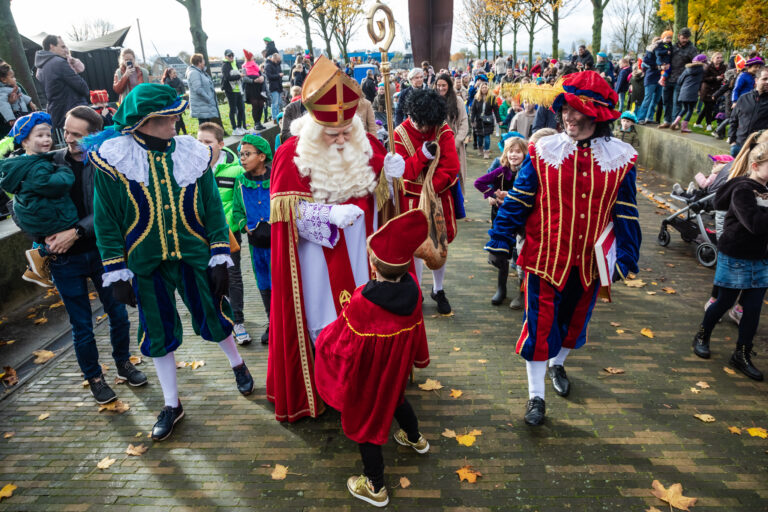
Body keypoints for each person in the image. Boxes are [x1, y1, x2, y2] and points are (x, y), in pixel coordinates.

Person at [88, 83, 254, 441]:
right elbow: (106, 219)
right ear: (145, 121)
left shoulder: (193, 152)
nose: (176, 122)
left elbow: (211, 207)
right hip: (144, 263)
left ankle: (238, 365)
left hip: (194, 256)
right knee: (157, 331)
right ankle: (171, 403)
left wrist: (220, 253)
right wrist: (115, 269)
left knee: (214, 313)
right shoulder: (114, 159)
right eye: (168, 117)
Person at [485, 71, 641, 426]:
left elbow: (626, 212)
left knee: (573, 325)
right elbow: (520, 199)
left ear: (596, 115)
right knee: (539, 327)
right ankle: (535, 396)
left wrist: (628, 255)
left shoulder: (620, 159)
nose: (568, 116)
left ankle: (558, 366)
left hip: (589, 264)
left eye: (576, 109)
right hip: (543, 259)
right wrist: (500, 237)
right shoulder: (543, 151)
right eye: (565, 108)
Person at [267, 56, 403, 422]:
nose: (342, 139)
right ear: (314, 128)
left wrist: (393, 177)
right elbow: (286, 219)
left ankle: (365, 384)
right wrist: (328, 215)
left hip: (363, 255)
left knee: (367, 323)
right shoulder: (289, 156)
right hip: (317, 262)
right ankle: (329, 390)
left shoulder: (367, 143)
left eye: (347, 130)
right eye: (333, 134)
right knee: (325, 326)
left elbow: (389, 207)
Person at [8, 107, 147, 403]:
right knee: (81, 324)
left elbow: (114, 211)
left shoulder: (107, 164)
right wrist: (42, 238)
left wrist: (77, 232)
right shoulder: (48, 160)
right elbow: (17, 206)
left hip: (102, 253)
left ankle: (123, 363)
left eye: (76, 135)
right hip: (63, 260)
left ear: (94, 135)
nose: (67, 139)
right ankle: (94, 377)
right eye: (66, 132)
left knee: (118, 314)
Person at [314, 209, 431, 508]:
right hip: (395, 374)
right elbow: (417, 332)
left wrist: (322, 343)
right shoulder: (415, 292)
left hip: (368, 378)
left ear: (373, 265)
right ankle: (415, 438)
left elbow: (342, 341)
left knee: (367, 422)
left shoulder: (362, 300)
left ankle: (375, 485)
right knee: (397, 400)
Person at [692, 134, 768, 381]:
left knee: (753, 308)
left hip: (761, 257)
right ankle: (703, 334)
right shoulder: (743, 189)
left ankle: (742, 354)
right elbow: (755, 224)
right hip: (736, 254)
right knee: (724, 301)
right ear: (756, 166)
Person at [394, 88, 461, 314]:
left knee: (439, 245)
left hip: (438, 197)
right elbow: (405, 172)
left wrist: (430, 189)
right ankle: (417, 291)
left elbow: (451, 167)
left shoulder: (442, 130)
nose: (425, 129)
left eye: (428, 125)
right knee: (415, 248)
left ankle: (438, 289)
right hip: (411, 202)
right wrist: (423, 155)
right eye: (421, 124)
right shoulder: (399, 134)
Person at [0, 112, 78, 287]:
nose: (47, 139)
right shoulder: (37, 166)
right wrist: (64, 171)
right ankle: (40, 253)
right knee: (60, 234)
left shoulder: (20, 162)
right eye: (40, 135)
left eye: (48, 135)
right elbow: (51, 185)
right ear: (25, 141)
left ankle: (35, 263)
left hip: (32, 212)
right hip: (44, 215)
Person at [196, 122, 251, 345]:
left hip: (227, 234)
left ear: (220, 144)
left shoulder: (236, 170)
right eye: (199, 142)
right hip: (200, 235)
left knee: (232, 276)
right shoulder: (190, 168)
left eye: (208, 142)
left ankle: (238, 320)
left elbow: (240, 203)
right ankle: (218, 317)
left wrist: (237, 225)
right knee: (207, 277)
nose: (202, 147)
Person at [474, 136, 528, 306]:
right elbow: (479, 182)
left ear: (524, 154)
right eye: (511, 151)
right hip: (501, 217)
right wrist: (492, 195)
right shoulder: (501, 171)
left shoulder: (527, 172)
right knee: (501, 253)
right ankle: (501, 288)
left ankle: (521, 292)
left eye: (518, 152)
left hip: (520, 218)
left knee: (520, 252)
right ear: (505, 153)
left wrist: (510, 198)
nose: (514, 155)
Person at [232, 134, 273, 345]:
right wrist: (244, 225)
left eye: (247, 154)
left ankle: (284, 322)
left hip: (277, 244)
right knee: (264, 282)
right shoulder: (240, 182)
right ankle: (271, 321)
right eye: (241, 155)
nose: (243, 159)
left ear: (262, 156)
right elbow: (237, 211)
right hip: (256, 245)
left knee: (280, 282)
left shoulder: (276, 178)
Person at [34, 35, 89, 129]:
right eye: (62, 47)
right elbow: (81, 86)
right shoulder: (59, 62)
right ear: (52, 46)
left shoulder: (40, 68)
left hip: (57, 112)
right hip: (74, 110)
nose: (66, 50)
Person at [435, 73, 469, 190]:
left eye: (443, 85)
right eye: (438, 85)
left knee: (456, 175)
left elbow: (464, 123)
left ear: (449, 85)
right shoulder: (432, 101)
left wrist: (456, 142)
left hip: (455, 145)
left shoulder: (458, 100)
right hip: (437, 145)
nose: (441, 88)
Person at [661, 28, 698, 128]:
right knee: (666, 100)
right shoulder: (672, 47)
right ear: (678, 36)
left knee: (676, 102)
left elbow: (695, 63)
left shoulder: (692, 49)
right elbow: (664, 57)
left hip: (681, 79)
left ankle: (674, 121)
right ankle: (667, 120)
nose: (685, 40)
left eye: (687, 38)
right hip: (668, 77)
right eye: (683, 38)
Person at [728, 67, 768, 157]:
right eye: (765, 79)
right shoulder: (743, 98)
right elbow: (733, 120)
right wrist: (732, 141)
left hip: (759, 147)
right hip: (739, 145)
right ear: (756, 80)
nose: (767, 82)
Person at [0, 63, 36, 138]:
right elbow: (3, 104)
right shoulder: (2, 91)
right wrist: (10, 104)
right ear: (3, 79)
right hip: (8, 130)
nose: (15, 79)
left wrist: (30, 102)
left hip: (23, 118)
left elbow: (22, 96)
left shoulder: (15, 86)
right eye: (12, 77)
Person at [673, 54, 707, 132]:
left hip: (683, 92)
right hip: (693, 93)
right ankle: (684, 127)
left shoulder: (687, 69)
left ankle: (675, 122)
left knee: (684, 109)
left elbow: (679, 81)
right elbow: (702, 81)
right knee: (690, 110)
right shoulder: (701, 70)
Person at [186, 53, 220, 125]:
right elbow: (198, 89)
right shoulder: (194, 73)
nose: (204, 62)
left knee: (206, 126)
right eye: (203, 60)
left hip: (204, 105)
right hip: (201, 105)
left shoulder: (201, 72)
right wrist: (209, 98)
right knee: (204, 126)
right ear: (199, 63)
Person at [470, 80, 501, 159]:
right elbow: (473, 110)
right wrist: (472, 120)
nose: (484, 89)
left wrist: (498, 120)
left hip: (488, 121)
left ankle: (486, 151)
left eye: (485, 87)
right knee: (479, 138)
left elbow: (496, 110)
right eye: (482, 87)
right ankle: (480, 148)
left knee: (487, 138)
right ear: (480, 89)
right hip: (479, 121)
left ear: (488, 88)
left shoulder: (492, 98)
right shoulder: (476, 98)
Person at [636, 37, 663, 125]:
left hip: (660, 78)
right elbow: (646, 62)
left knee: (656, 99)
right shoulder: (650, 51)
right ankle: (640, 118)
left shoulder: (662, 52)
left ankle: (649, 117)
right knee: (648, 98)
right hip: (651, 78)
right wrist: (657, 66)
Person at [699, 52, 727, 131]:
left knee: (708, 108)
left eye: (721, 58)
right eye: (717, 58)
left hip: (717, 90)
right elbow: (703, 78)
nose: (719, 59)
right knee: (708, 108)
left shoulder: (723, 67)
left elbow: (725, 75)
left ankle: (698, 122)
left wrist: (723, 79)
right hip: (707, 90)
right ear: (713, 58)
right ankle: (708, 124)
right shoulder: (708, 67)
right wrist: (715, 78)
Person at [222, 49, 246, 135]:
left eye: (232, 55)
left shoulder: (236, 63)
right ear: (225, 57)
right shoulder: (225, 65)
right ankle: (234, 129)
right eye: (229, 56)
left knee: (241, 109)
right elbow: (227, 77)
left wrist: (241, 74)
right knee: (233, 110)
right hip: (230, 90)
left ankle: (240, 127)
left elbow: (240, 73)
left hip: (238, 89)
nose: (231, 57)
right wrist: (239, 76)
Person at [242, 50, 266, 130]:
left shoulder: (256, 65)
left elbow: (261, 74)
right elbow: (244, 78)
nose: (253, 58)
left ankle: (259, 122)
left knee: (261, 104)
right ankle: (256, 123)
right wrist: (253, 80)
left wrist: (262, 77)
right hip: (251, 88)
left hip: (259, 88)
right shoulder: (244, 67)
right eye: (252, 56)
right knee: (255, 104)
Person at [161, 67, 187, 134]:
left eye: (176, 73)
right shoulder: (166, 82)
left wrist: (183, 100)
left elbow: (183, 91)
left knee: (179, 117)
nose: (175, 74)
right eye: (174, 73)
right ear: (169, 74)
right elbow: (167, 93)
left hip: (180, 101)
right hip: (172, 102)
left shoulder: (179, 81)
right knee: (179, 117)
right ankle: (183, 132)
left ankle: (179, 133)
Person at [265, 53, 284, 122]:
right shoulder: (268, 66)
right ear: (274, 58)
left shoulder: (277, 65)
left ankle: (278, 117)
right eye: (277, 60)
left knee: (278, 103)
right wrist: (278, 75)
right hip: (273, 87)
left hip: (278, 86)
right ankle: (274, 118)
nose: (278, 61)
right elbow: (269, 77)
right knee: (274, 104)